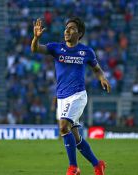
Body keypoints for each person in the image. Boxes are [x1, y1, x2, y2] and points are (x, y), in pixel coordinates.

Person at [31, 17, 111, 175]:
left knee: (63, 126)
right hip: (62, 98)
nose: (67, 30)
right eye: (66, 28)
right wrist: (36, 38)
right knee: (75, 137)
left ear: (79, 33)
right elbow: (35, 49)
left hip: (78, 95)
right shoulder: (56, 48)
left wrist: (102, 78)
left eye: (72, 28)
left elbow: (97, 69)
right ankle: (97, 164)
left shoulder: (86, 51)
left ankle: (73, 167)